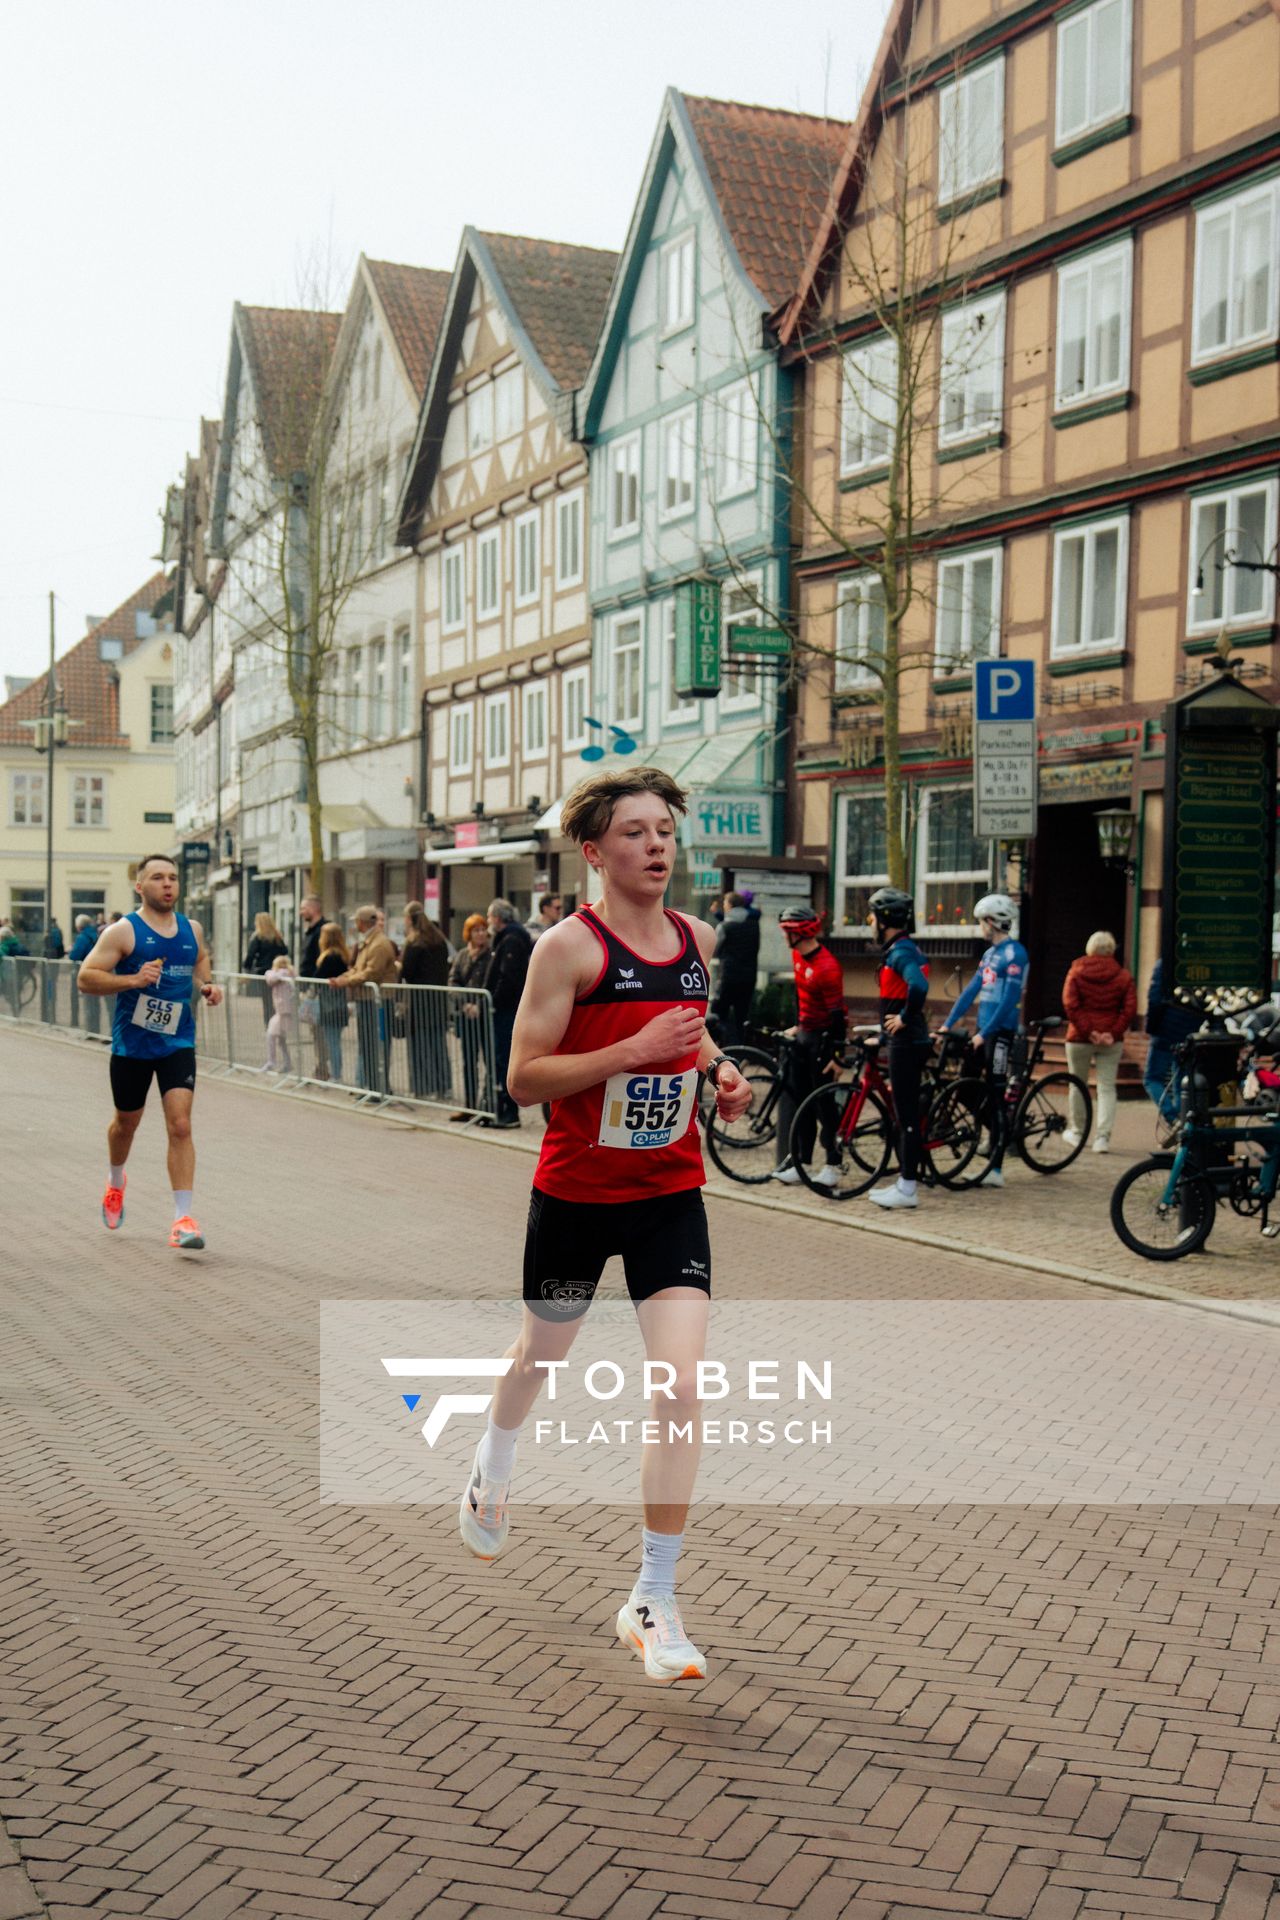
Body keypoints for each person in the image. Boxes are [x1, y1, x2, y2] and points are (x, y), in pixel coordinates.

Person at [462, 764, 750, 1684]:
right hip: (577, 1197)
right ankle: (494, 1459)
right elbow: (522, 1080)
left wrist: (719, 1074)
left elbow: (687, 1026)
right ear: (594, 851)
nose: (657, 845)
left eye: (665, 829)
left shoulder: (698, 937)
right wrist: (628, 1051)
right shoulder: (566, 950)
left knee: (681, 1387)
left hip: (669, 1192)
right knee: (538, 1360)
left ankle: (653, 1599)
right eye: (634, 832)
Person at [76, 852, 223, 1250]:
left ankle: (183, 1219)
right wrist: (133, 979)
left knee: (180, 1125)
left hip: (177, 1041)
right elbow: (86, 978)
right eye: (157, 878)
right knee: (126, 1123)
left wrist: (207, 984)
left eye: (173, 877)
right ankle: (116, 1180)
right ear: (140, 887)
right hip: (133, 1044)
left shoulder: (191, 928)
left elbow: (201, 957)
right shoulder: (123, 932)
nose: (168, 884)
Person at [940, 893, 1028, 1190]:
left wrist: (985, 1032)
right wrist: (947, 1023)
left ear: (992, 922)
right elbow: (970, 992)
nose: (980, 927)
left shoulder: (1015, 954)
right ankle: (998, 1133)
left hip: (999, 1033)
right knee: (965, 1088)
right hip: (982, 1031)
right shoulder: (989, 955)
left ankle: (997, 1169)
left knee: (996, 1093)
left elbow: (1009, 1001)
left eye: (981, 922)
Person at [866, 887, 932, 1210]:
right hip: (902, 1040)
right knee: (904, 1111)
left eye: (872, 916)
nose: (869, 922)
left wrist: (904, 1018)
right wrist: (883, 1035)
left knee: (905, 1115)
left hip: (906, 1042)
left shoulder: (901, 953)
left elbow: (919, 985)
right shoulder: (903, 948)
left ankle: (908, 1187)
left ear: (884, 919)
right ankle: (905, 1181)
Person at [771, 906, 846, 1188]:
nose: (783, 937)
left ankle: (833, 1165)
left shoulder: (826, 967)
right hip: (805, 1036)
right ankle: (801, 1162)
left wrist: (838, 1057)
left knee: (825, 1106)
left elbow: (838, 1016)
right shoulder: (798, 955)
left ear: (798, 933)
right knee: (802, 1102)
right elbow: (803, 1000)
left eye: (785, 932)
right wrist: (798, 1025)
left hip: (824, 1042)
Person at [1061, 931, 1136, 1152]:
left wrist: (1089, 1031)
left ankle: (1077, 1132)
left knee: (1077, 1084)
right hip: (1111, 1040)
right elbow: (1129, 1008)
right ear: (1112, 950)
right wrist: (1112, 1032)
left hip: (1079, 1038)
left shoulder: (1076, 971)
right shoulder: (1123, 976)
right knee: (1106, 1088)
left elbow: (1070, 1004)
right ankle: (1102, 1138)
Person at [327, 905, 398, 1094]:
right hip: (367, 1000)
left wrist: (346, 982)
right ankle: (372, 1087)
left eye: (357, 922)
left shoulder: (379, 944)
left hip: (379, 1001)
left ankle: (379, 1089)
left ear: (363, 923)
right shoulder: (368, 942)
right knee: (367, 1046)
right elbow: (359, 968)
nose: (355, 925)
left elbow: (372, 972)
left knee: (377, 1046)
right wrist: (343, 977)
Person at [485, 899, 533, 1129]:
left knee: (504, 1058)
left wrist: (492, 1000)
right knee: (500, 1058)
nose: (488, 922)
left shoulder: (512, 940)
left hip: (506, 1010)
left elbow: (509, 979)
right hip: (507, 1008)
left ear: (497, 918)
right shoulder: (510, 938)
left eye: (489, 917)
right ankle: (498, 1108)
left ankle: (508, 1111)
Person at [400, 902, 450, 1099]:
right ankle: (444, 1086)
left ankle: (422, 1086)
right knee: (439, 1044)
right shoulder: (439, 939)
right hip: (438, 1001)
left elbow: (407, 972)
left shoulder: (414, 942)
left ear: (408, 919)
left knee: (419, 1046)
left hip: (419, 1002)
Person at [447, 914, 494, 1119]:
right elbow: (453, 981)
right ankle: (469, 1105)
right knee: (468, 1061)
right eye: (476, 930)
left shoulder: (491, 955)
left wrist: (479, 1004)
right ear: (469, 933)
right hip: (466, 1016)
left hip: (485, 1016)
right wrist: (465, 1002)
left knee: (489, 1061)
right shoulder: (462, 955)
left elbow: (490, 984)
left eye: (483, 929)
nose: (481, 934)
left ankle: (487, 1105)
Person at [1142, 957, 1200, 1122]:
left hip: (1165, 1028)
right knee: (1181, 1080)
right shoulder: (1199, 963)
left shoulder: (1166, 963)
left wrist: (1151, 1026)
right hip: (1190, 1028)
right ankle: (1182, 1121)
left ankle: (1172, 1117)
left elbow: (1155, 997)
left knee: (1152, 1078)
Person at [710, 891, 760, 1047]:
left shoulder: (724, 926)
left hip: (728, 976)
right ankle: (742, 1048)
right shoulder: (754, 924)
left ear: (729, 905)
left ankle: (722, 1046)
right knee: (742, 1015)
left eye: (725, 903)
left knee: (718, 1012)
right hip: (749, 977)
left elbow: (715, 950)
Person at [314, 923, 350, 1082]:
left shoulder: (329, 957)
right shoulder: (343, 955)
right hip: (339, 1003)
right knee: (334, 1040)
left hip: (330, 1004)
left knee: (332, 1041)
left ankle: (336, 1074)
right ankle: (336, 1073)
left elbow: (318, 977)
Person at [242, 912, 288, 1026]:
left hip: (264, 973)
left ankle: (269, 1025)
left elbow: (250, 955)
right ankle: (279, 1023)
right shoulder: (277, 936)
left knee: (267, 1001)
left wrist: (246, 969)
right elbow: (285, 951)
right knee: (278, 998)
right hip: (277, 973)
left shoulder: (258, 937)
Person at [263, 954, 296, 1075]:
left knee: (271, 1035)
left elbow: (270, 978)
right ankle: (287, 1063)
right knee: (281, 1039)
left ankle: (272, 1061)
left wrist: (280, 971)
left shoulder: (284, 975)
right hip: (282, 1010)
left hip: (283, 1011)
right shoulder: (287, 974)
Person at [68, 914, 98, 1033]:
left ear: (79, 926)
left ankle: (89, 1030)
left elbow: (75, 955)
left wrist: (71, 951)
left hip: (85, 971)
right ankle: (95, 1029)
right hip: (97, 970)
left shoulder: (82, 937)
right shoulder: (96, 935)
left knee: (86, 1001)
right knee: (95, 1003)